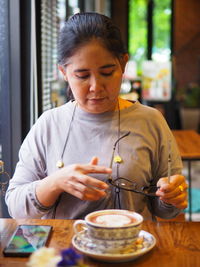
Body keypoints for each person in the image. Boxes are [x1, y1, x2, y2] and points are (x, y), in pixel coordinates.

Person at [5, 12, 188, 221]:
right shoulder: (49, 124)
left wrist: (171, 197)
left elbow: (167, 209)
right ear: (64, 72)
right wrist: (55, 183)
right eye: (82, 76)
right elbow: (15, 205)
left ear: (123, 64)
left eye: (107, 72)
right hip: (64, 252)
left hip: (129, 248)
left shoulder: (151, 121)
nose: (95, 87)